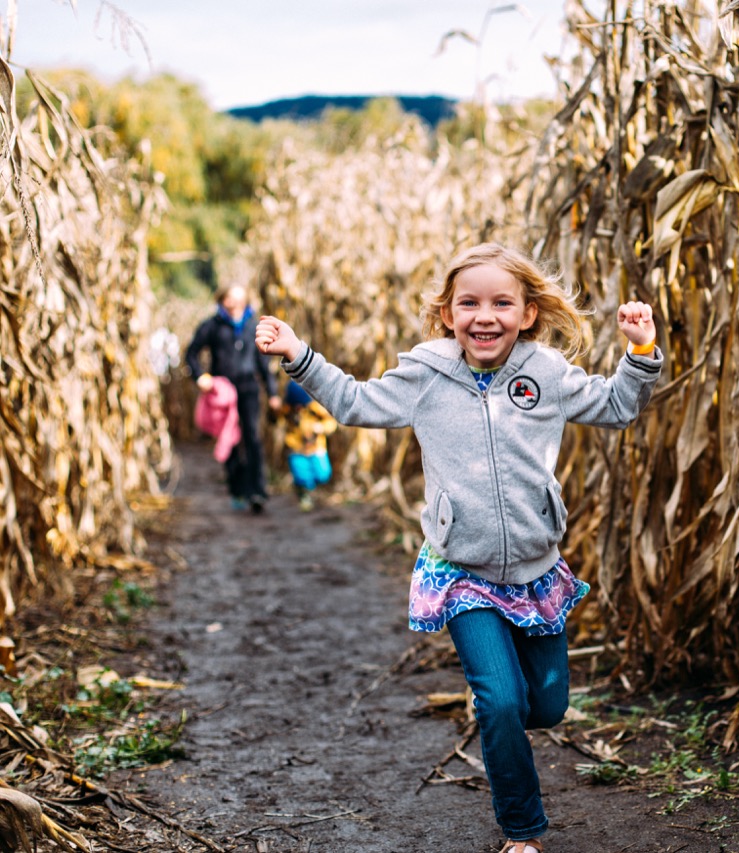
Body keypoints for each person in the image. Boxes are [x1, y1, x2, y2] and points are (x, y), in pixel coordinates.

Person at [254, 243, 661, 853]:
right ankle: (522, 833)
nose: (485, 315)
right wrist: (298, 355)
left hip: (536, 570)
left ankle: (504, 727)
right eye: (469, 303)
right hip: (460, 571)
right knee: (499, 702)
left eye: (502, 302)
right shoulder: (425, 375)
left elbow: (616, 406)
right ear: (448, 315)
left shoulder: (545, 374)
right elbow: (356, 403)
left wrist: (640, 352)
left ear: (527, 313)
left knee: (543, 708)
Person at [185, 284, 280, 512]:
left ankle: (257, 491)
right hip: (223, 393)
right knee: (231, 440)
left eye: (239, 298)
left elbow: (264, 364)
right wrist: (200, 376)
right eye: (230, 298)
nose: (234, 303)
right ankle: (237, 490)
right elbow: (191, 354)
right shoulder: (212, 326)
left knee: (253, 439)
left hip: (249, 388)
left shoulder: (253, 325)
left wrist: (273, 392)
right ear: (222, 300)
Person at [279, 380, 337, 511]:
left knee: (323, 474)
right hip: (297, 449)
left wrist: (321, 427)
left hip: (316, 448)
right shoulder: (288, 410)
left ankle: (308, 489)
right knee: (302, 476)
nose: (298, 407)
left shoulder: (315, 408)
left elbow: (331, 423)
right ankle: (304, 494)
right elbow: (276, 418)